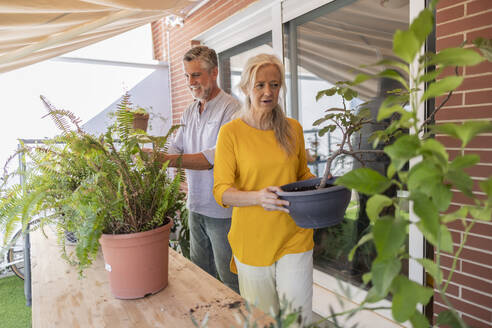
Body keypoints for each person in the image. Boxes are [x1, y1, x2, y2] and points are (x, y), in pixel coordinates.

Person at [213, 53, 315, 324]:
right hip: (252, 239)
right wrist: (258, 197)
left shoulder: (293, 129)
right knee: (263, 320)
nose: (268, 91)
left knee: (298, 318)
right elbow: (222, 191)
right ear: (246, 88)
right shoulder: (231, 133)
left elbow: (302, 174)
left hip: (295, 233)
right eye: (260, 85)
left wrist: (323, 187)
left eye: (275, 84)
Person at [148, 45, 240, 293]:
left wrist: (164, 160)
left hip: (222, 212)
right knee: (202, 274)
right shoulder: (190, 110)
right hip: (195, 207)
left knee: (229, 279)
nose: (191, 82)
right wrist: (153, 154)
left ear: (214, 73)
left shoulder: (232, 109)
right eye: (187, 76)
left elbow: (214, 158)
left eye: (196, 75)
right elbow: (175, 146)